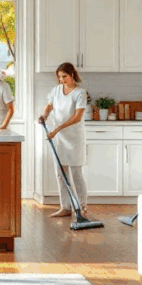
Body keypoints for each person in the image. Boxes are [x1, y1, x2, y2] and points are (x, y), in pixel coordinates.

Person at [37, 62, 88, 217]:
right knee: (61, 173)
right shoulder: (56, 90)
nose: (62, 80)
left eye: (64, 76)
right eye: (59, 77)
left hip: (74, 138)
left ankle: (82, 206)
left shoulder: (80, 93)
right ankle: (65, 207)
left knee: (76, 172)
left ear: (72, 75)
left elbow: (77, 117)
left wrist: (57, 128)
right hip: (59, 138)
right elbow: (49, 106)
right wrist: (44, 116)